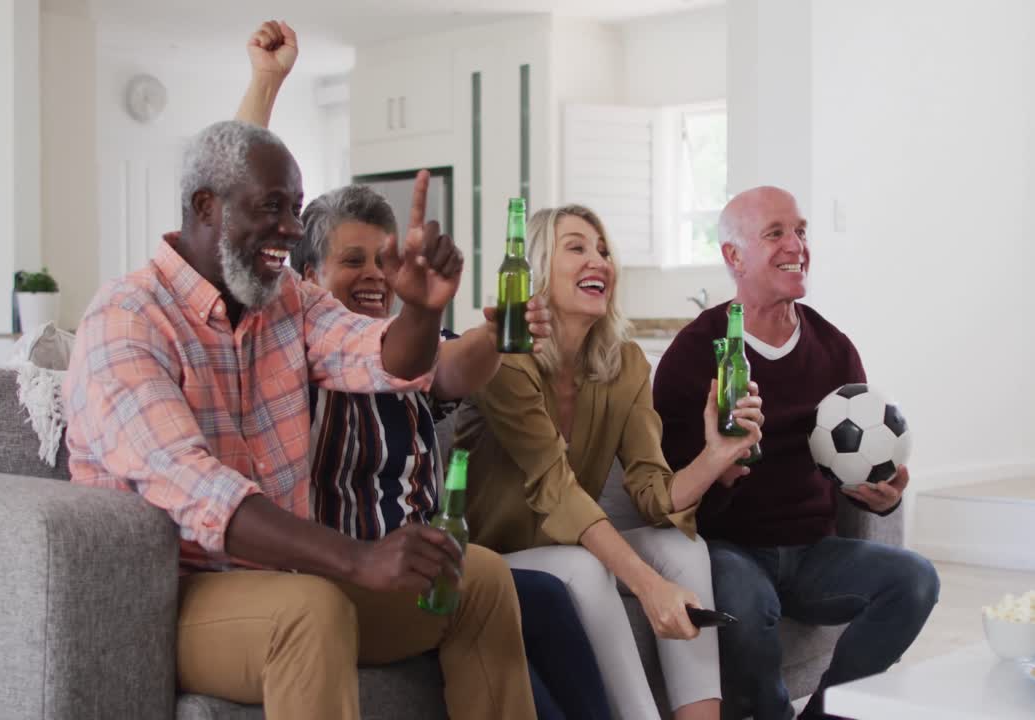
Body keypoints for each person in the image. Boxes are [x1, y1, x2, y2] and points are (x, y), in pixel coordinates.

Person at [63, 112, 536, 719]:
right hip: (176, 598)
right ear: (206, 206)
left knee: (479, 578)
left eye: (296, 208)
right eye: (273, 208)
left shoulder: (287, 300)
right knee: (311, 609)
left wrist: (418, 311)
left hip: (288, 579)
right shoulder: (126, 319)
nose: (290, 229)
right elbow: (197, 488)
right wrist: (360, 557)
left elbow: (383, 360)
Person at [237, 21, 613, 720]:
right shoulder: (293, 342)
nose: (377, 277)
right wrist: (266, 84)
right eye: (355, 261)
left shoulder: (400, 344)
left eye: (386, 259)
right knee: (514, 592)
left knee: (545, 605)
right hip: (333, 582)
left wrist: (502, 333)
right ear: (307, 274)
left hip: (418, 577)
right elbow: (240, 215)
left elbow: (449, 369)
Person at [454, 203, 764, 720]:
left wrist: (715, 456)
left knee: (681, 547)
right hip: (495, 554)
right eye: (576, 248)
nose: (598, 260)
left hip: (569, 542)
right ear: (535, 270)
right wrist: (648, 587)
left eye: (603, 250)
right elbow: (556, 489)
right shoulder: (504, 360)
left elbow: (649, 487)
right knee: (581, 565)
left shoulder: (626, 364)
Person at [652, 186, 941, 720]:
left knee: (916, 578)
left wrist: (879, 497)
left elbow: (852, 467)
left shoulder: (834, 347)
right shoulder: (695, 352)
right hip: (729, 548)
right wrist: (721, 472)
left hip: (813, 551)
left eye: (802, 231)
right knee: (743, 599)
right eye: (776, 233)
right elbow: (666, 491)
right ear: (733, 257)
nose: (797, 246)